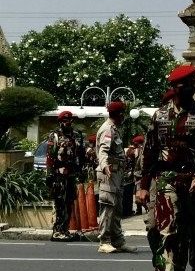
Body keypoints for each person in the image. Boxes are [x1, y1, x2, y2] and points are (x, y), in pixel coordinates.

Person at [137, 65, 195, 271]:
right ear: (175, 87)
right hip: (165, 179)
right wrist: (143, 186)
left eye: (192, 84)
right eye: (185, 85)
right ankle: (166, 267)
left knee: (193, 232)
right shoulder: (160, 116)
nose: (190, 88)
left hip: (192, 182)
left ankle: (193, 266)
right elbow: (149, 152)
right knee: (163, 230)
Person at [95, 101, 137, 253]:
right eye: (122, 114)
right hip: (109, 174)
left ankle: (118, 241)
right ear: (118, 115)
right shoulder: (107, 129)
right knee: (108, 207)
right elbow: (103, 151)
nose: (124, 117)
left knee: (117, 208)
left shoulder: (114, 129)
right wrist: (105, 165)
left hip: (117, 175)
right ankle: (104, 241)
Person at [46, 110, 86, 242]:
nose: (68, 123)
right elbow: (50, 157)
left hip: (71, 174)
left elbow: (81, 155)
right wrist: (50, 174)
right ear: (60, 122)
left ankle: (65, 229)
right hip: (58, 174)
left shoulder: (77, 135)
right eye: (65, 121)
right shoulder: (55, 135)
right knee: (60, 202)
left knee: (69, 202)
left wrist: (81, 171)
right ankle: (57, 231)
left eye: (69, 120)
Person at [124, 135, 144, 217]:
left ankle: (141, 209)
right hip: (137, 175)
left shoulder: (140, 152)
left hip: (140, 175)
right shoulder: (137, 151)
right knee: (137, 192)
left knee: (139, 192)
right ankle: (139, 209)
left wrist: (136, 173)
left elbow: (142, 166)